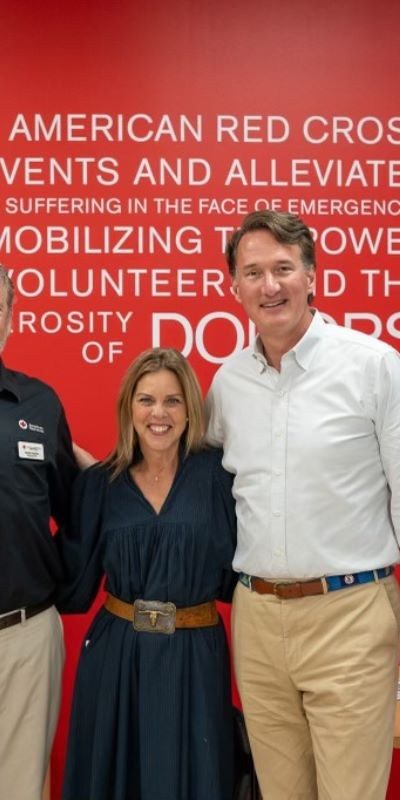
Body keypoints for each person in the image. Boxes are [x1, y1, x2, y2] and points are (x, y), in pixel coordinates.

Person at [206, 211, 400, 800]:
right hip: (258, 619)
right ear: (234, 287)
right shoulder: (226, 383)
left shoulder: (371, 365)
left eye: (284, 269)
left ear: (311, 275)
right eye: (254, 272)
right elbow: (195, 485)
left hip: (351, 615)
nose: (271, 286)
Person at [57, 347, 237, 800]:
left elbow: (242, 574)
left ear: (190, 408)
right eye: (146, 400)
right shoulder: (101, 483)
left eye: (172, 400)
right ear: (129, 408)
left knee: (198, 777)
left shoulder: (219, 477)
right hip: (117, 657)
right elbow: (73, 584)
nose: (159, 413)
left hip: (196, 654)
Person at [0, 265, 78, 800]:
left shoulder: (39, 405)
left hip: (23, 634)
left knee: (21, 788)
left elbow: (75, 508)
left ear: (8, 318)